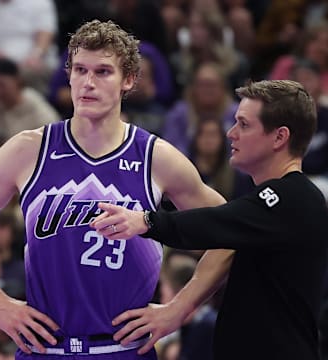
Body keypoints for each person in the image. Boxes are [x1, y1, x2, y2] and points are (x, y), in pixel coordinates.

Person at [0, 19, 233, 359]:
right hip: (43, 349)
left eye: (103, 72)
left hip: (122, 348)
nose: (88, 83)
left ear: (129, 80)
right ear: (69, 75)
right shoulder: (28, 149)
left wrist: (179, 308)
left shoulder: (157, 157)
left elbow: (228, 234)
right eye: (80, 70)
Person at [92, 79, 328, 360]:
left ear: (279, 137)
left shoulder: (293, 198)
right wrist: (177, 308)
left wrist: (146, 221)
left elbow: (216, 224)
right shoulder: (276, 202)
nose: (231, 133)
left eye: (244, 124)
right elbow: (225, 235)